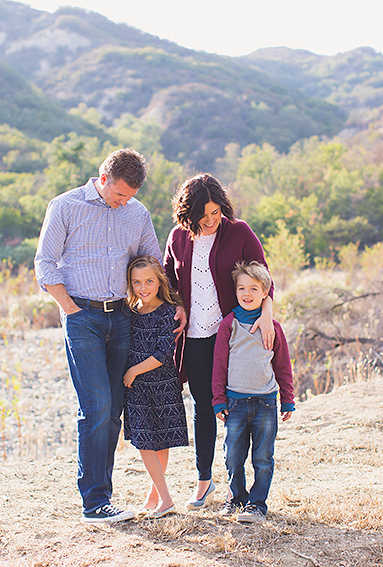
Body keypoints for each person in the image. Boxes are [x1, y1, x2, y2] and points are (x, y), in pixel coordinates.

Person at [34, 148, 175, 523]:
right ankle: (94, 503)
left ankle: (105, 499)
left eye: (130, 196)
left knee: (113, 411)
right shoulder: (65, 206)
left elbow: (152, 261)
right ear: (103, 178)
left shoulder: (137, 213)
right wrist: (70, 308)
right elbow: (45, 263)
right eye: (119, 194)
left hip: (124, 319)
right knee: (95, 407)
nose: (123, 202)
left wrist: (166, 304)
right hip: (83, 318)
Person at [163, 173, 275, 510]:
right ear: (188, 213)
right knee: (204, 408)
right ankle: (204, 480)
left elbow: (264, 277)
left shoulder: (238, 231)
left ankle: (237, 488)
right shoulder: (178, 238)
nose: (212, 221)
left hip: (236, 337)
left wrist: (267, 312)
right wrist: (179, 306)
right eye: (204, 215)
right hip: (196, 337)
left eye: (216, 213)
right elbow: (168, 281)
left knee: (238, 408)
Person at [212, 261, 294, 523]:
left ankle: (257, 504)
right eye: (242, 288)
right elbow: (219, 365)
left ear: (265, 293)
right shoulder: (229, 324)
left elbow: (282, 366)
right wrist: (218, 400)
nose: (247, 294)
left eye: (254, 289)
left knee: (263, 457)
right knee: (233, 456)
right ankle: (236, 499)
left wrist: (287, 399)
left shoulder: (274, 328)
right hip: (235, 402)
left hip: (265, 403)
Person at [122, 255, 188, 519]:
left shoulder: (167, 313)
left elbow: (163, 353)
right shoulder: (130, 311)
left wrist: (132, 371)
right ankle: (158, 496)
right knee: (145, 442)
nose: (143, 288)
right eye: (136, 282)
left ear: (159, 281)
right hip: (138, 389)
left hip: (161, 384)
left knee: (159, 443)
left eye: (149, 281)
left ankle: (164, 499)